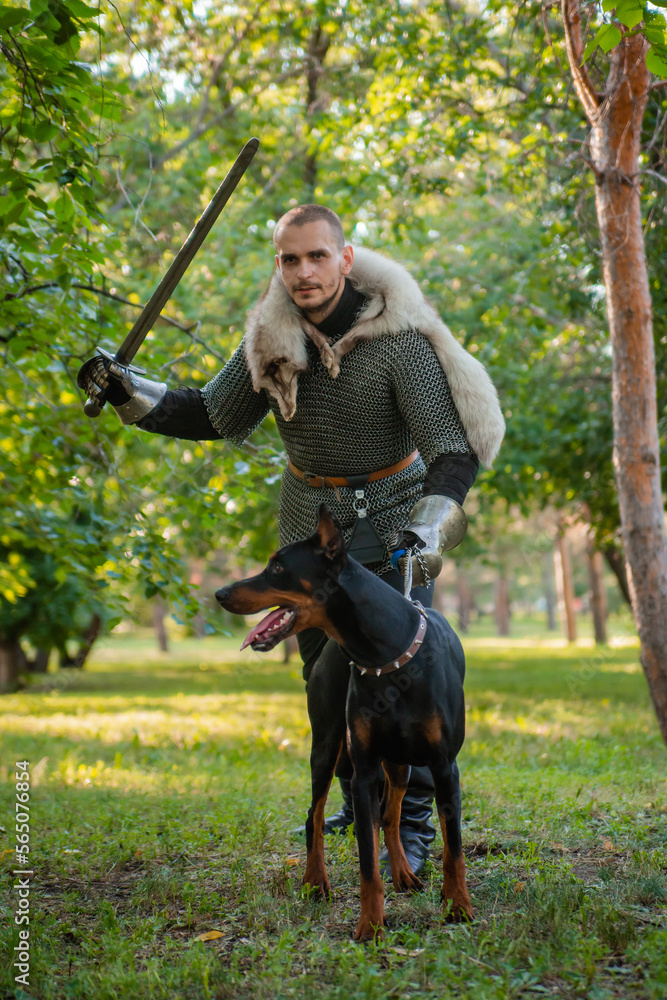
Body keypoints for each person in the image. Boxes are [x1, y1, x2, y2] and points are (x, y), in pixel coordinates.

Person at [81, 203, 505, 876]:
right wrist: (128, 390)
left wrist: (426, 531)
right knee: (325, 678)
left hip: (394, 524)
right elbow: (214, 414)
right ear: (277, 264)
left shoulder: (399, 341)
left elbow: (452, 453)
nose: (303, 272)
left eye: (315, 256)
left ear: (344, 258)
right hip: (310, 522)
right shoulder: (271, 337)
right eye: (288, 259)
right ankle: (356, 800)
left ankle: (414, 824)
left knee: (402, 675)